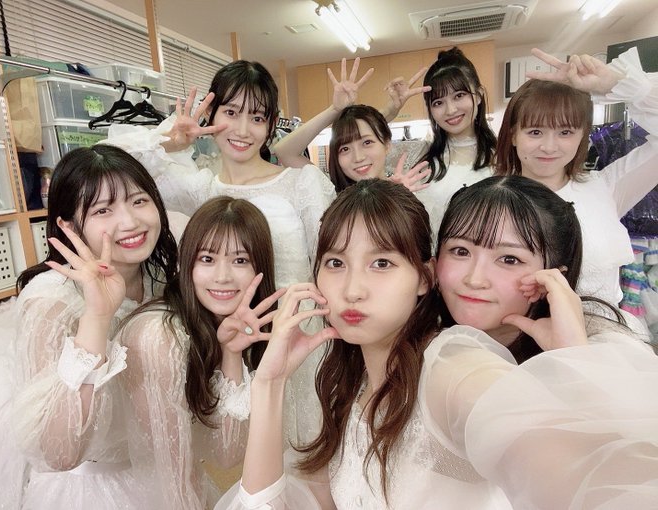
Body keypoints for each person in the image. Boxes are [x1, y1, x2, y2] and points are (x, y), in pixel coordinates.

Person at [216, 178, 658, 510]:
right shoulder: (358, 373)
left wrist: (572, 363)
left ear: (422, 276)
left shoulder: (452, 365)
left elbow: (605, 484)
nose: (474, 279)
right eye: (460, 251)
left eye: (508, 258)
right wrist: (269, 383)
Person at [106, 60, 335, 445]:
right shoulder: (200, 189)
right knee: (243, 447)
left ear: (271, 124)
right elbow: (110, 165)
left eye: (257, 118)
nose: (243, 130)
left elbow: (328, 263)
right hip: (230, 340)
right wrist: (171, 141)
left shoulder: (301, 182)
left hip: (298, 335)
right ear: (210, 116)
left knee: (304, 444)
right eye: (231, 113)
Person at [0, 144, 179, 509]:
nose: (130, 222)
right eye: (103, 210)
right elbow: (58, 452)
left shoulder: (159, 278)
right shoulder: (50, 303)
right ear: (68, 226)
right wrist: (97, 318)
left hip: (155, 465)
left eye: (138, 201)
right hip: (90, 486)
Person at [116, 196, 285, 509]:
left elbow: (228, 454)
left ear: (261, 269)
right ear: (187, 264)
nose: (223, 276)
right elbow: (170, 472)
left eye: (240, 261)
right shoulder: (159, 338)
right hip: (134, 491)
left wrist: (231, 354)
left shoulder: (229, 325)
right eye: (207, 259)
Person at [494, 47, 658, 307]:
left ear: (582, 135)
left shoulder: (606, 188)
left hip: (605, 328)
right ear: (514, 135)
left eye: (565, 132)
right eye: (535, 132)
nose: (549, 147)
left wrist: (615, 84)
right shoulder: (492, 200)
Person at [273, 58, 431, 192]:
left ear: (387, 144)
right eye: (345, 149)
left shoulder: (406, 188)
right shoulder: (330, 193)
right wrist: (334, 110)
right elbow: (284, 151)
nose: (358, 157)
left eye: (367, 142)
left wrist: (399, 198)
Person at [412, 46, 496, 237]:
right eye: (438, 102)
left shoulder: (504, 154)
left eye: (459, 96)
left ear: (479, 95)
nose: (450, 110)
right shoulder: (420, 157)